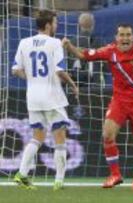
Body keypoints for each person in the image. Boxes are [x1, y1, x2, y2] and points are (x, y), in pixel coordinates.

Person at [62, 25, 133, 190]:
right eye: (122, 35)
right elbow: (84, 54)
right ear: (116, 37)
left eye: (128, 35)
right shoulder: (109, 51)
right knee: (107, 134)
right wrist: (69, 46)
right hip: (119, 101)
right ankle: (115, 174)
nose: (125, 38)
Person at [11, 10, 79, 191]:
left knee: (37, 137)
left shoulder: (24, 42)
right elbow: (59, 71)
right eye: (55, 23)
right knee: (60, 137)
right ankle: (59, 181)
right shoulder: (55, 43)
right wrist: (72, 84)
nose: (56, 26)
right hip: (52, 97)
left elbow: (15, 70)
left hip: (33, 97)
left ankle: (22, 174)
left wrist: (32, 79)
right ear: (48, 25)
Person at [68, 12, 104, 87]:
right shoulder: (100, 43)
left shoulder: (70, 43)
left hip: (75, 85)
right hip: (95, 86)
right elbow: (106, 67)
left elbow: (68, 65)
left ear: (79, 25)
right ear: (93, 25)